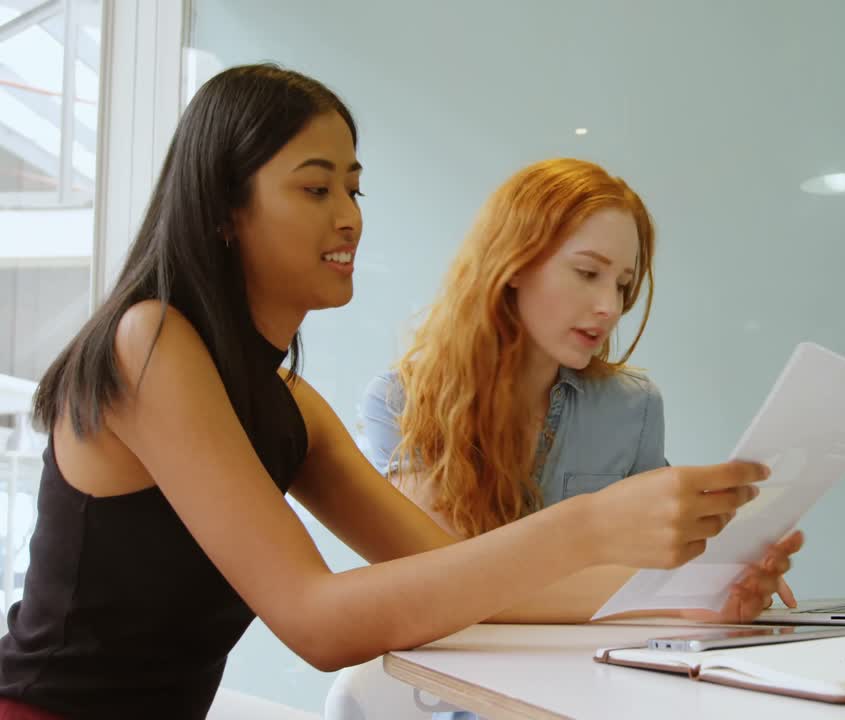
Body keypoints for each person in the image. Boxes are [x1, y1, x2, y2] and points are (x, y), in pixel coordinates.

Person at [0, 65, 798, 719]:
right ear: (222, 211)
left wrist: (691, 602)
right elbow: (316, 620)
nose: (348, 216)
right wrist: (589, 526)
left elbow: (456, 579)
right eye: (316, 189)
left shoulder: (291, 408)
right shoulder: (150, 342)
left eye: (355, 189)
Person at [360, 158, 798, 619]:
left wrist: (722, 580)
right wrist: (686, 594)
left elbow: (660, 561)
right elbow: (444, 590)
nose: (610, 307)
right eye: (588, 273)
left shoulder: (635, 405)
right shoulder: (400, 402)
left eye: (623, 284)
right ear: (513, 263)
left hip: (590, 675)